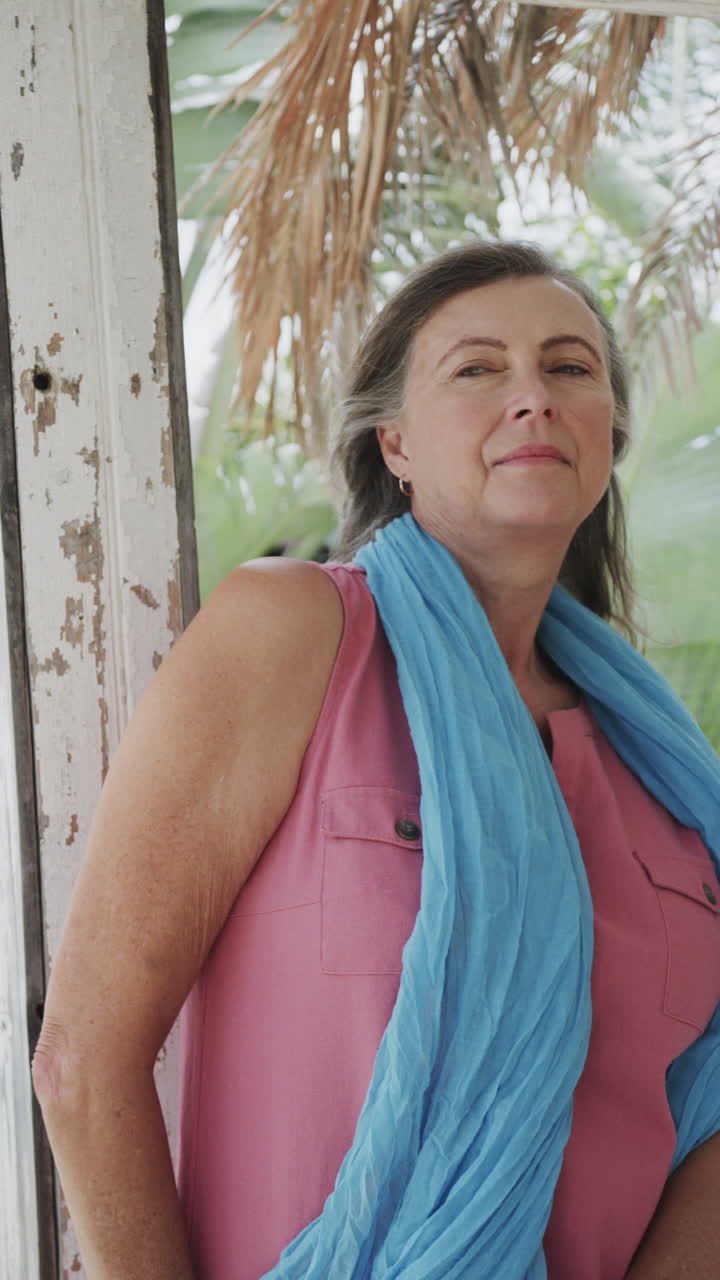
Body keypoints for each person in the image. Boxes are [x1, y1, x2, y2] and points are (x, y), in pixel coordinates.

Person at [32, 241, 720, 1280]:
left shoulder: (664, 769)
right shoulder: (301, 635)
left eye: (570, 367)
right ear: (394, 441)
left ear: (609, 432)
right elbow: (82, 1061)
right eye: (478, 368)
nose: (532, 395)